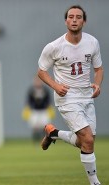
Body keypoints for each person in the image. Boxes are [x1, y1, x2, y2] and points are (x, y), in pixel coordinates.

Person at [37, 5, 103, 185]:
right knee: (87, 139)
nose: (74, 20)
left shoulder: (92, 42)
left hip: (86, 97)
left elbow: (99, 69)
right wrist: (55, 85)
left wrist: (97, 84)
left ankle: (54, 133)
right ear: (66, 21)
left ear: (84, 21)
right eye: (71, 17)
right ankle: (95, 182)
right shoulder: (54, 47)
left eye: (78, 17)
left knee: (85, 143)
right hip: (67, 97)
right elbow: (41, 71)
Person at [22, 76, 55, 142]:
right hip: (34, 111)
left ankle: (44, 140)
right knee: (35, 126)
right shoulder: (31, 90)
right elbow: (29, 100)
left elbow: (48, 100)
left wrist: (46, 106)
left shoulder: (45, 90)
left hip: (44, 111)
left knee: (45, 126)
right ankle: (36, 141)